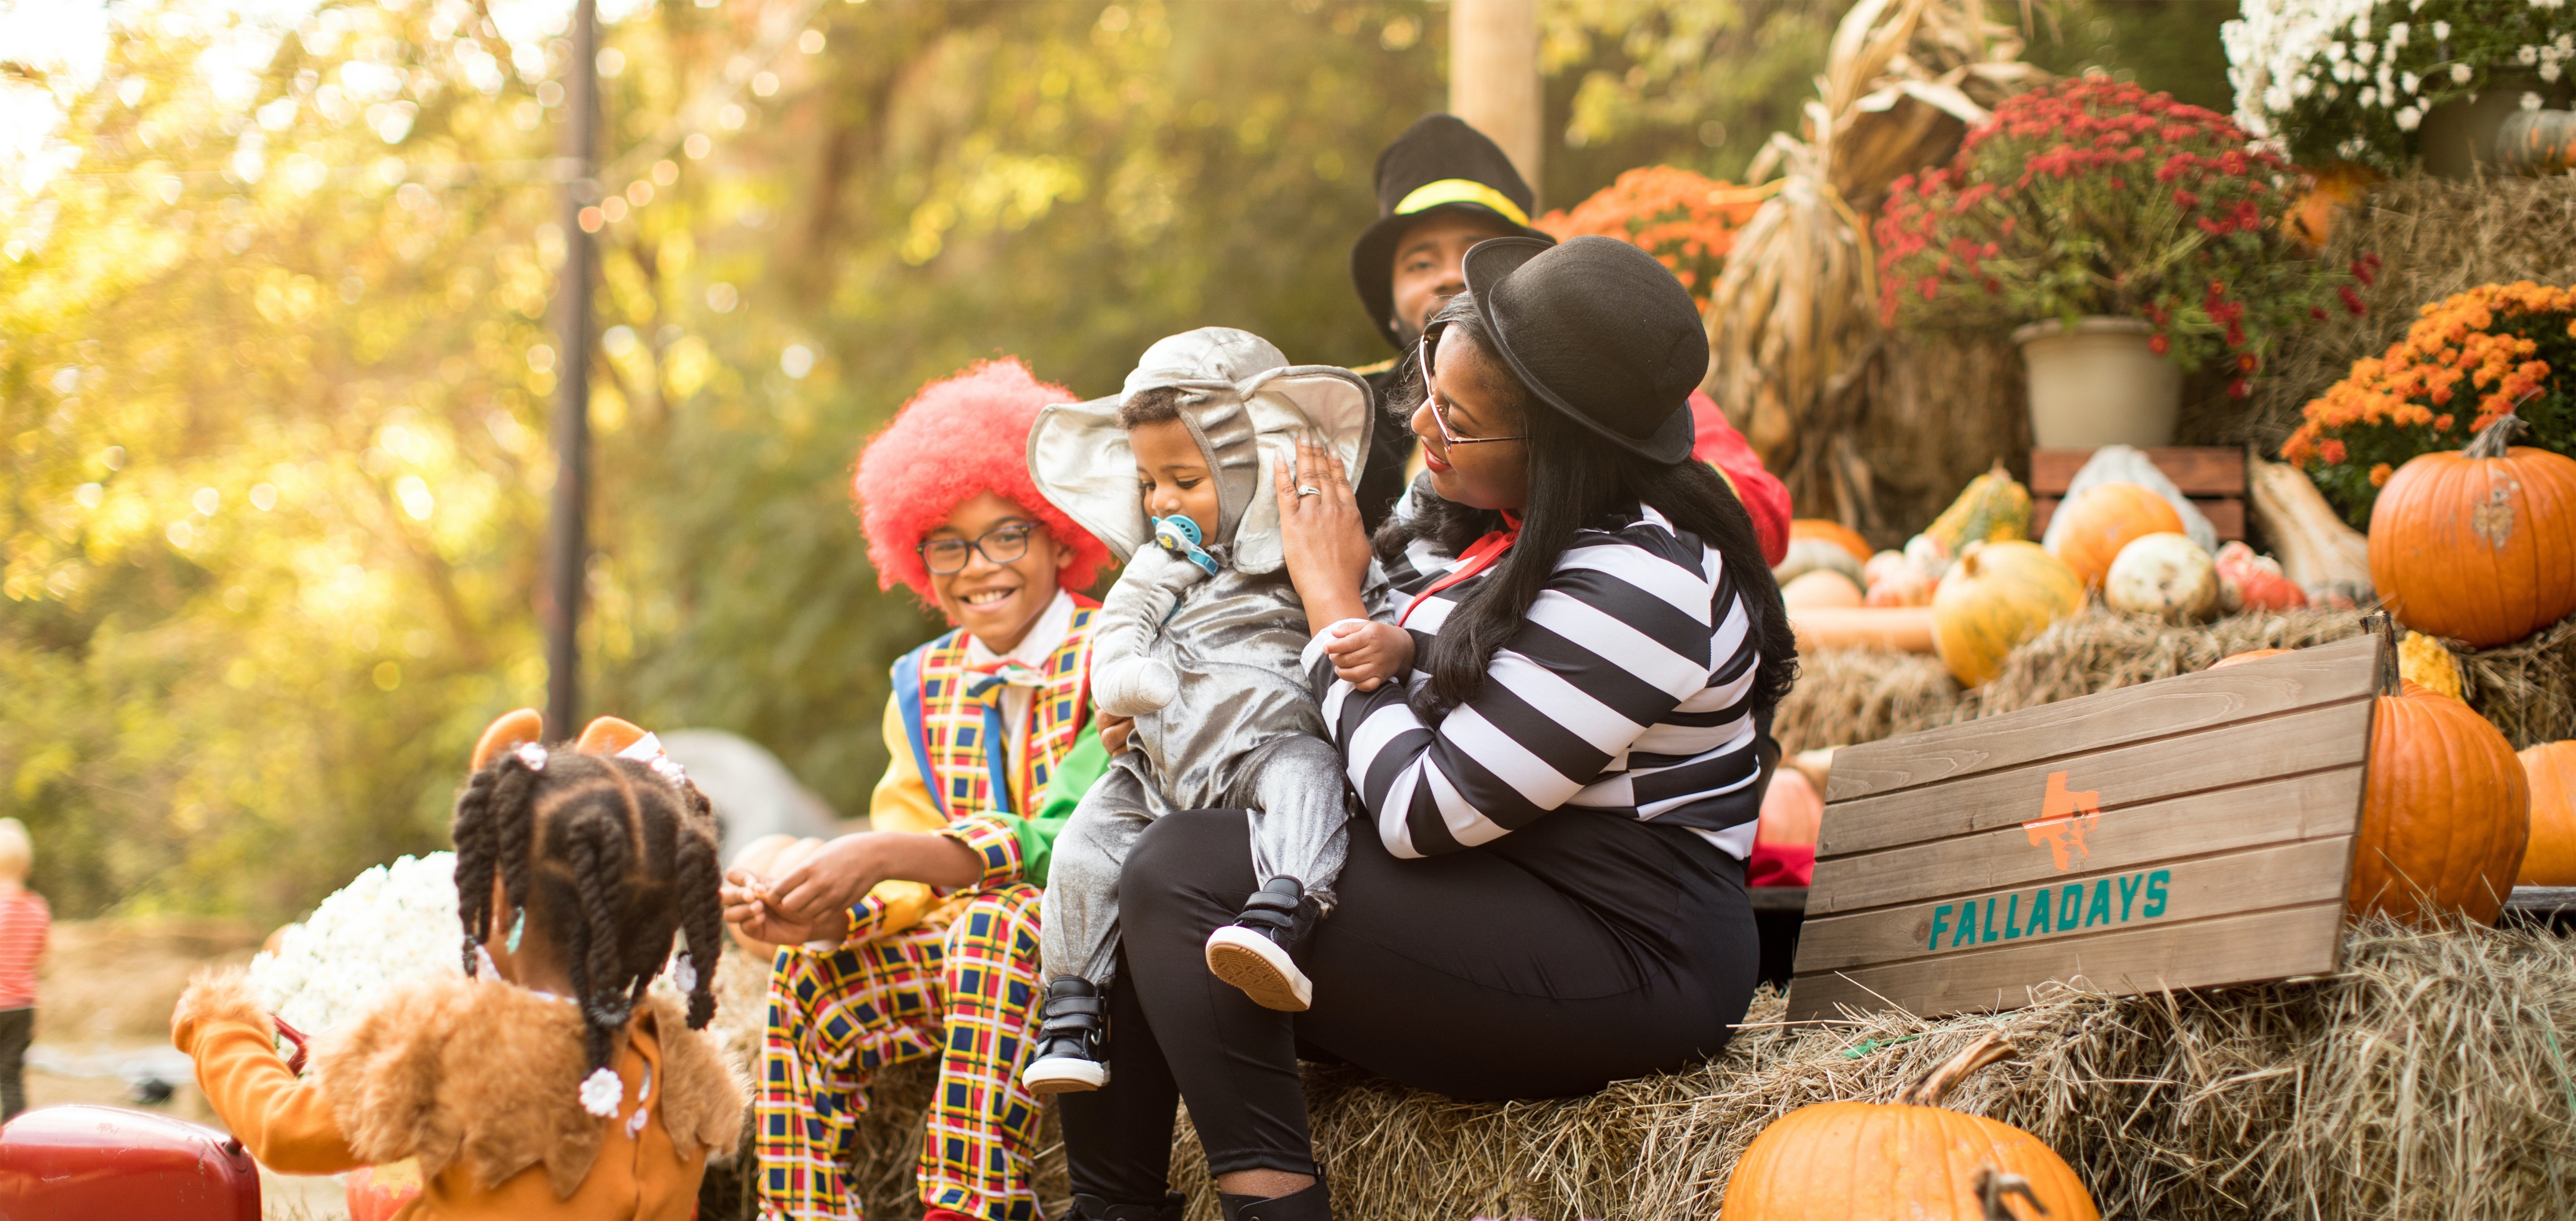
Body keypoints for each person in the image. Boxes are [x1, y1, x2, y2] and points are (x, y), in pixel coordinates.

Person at [1054, 235, 1798, 1221]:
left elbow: (1420, 808)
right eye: (1428, 389)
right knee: (1126, 851)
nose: (1422, 424)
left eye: (1460, 417)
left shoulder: (1647, 581)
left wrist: (1328, 604)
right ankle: (1111, 1207)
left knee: (1185, 870)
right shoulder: (1467, 514)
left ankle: (1271, 1204)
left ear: (1561, 449)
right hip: (1479, 888)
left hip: (1623, 948)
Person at [720, 358, 1114, 1221]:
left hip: (1098, 954)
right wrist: (832, 913)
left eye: (1008, 534)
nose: (980, 567)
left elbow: (1073, 834)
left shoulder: (1117, 649)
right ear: (918, 559)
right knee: (806, 982)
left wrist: (881, 853)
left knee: (992, 917)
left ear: (1059, 534)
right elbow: (906, 872)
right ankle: (802, 1211)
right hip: (970, 971)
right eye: (950, 544)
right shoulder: (922, 681)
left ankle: (967, 1205)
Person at [1016, 329, 1401, 1093]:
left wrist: (1390, 644)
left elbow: (1385, 603)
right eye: (1148, 482)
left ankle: (1284, 910)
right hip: (1162, 763)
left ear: (1250, 463)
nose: (1161, 502)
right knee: (1087, 840)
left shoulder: (1311, 549)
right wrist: (1120, 689)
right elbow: (1120, 631)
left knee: (1308, 771)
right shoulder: (1162, 570)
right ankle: (1072, 1005)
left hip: (1262, 748)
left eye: (1183, 479)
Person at [171, 712, 742, 1219]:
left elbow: (284, 1130)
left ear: (498, 905)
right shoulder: (680, 1063)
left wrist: (219, 1026)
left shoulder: (453, 1042)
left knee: (381, 1185)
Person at [1345, 115, 1793, 563]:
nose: (1448, 274)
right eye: (1420, 264)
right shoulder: (1351, 412)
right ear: (1388, 302)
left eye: (1473, 253)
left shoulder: (1613, 389)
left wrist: (1595, 475)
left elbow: (1762, 512)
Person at [0, 819, 46, 1121]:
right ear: (26, 866)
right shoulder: (38, 908)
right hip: (22, 1007)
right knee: (11, 1076)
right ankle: (15, 1141)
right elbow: (41, 959)